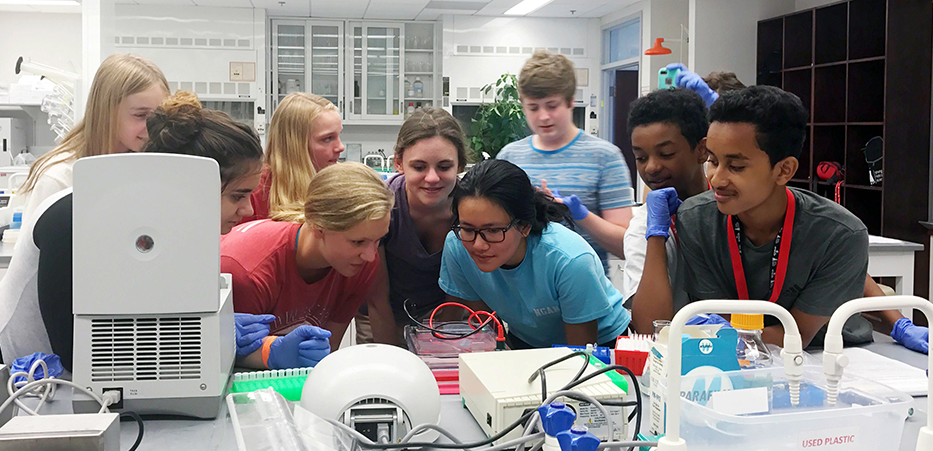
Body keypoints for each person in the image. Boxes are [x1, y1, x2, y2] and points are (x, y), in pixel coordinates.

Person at [0, 91, 265, 370]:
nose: (249, 210)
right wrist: (209, 337)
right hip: (3, 365)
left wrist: (212, 327)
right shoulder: (74, 216)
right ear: (195, 183)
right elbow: (76, 349)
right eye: (237, 196)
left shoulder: (165, 225)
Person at [670, 85, 869, 348]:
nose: (716, 179)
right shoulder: (696, 220)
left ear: (784, 170)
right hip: (730, 355)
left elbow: (796, 336)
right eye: (713, 160)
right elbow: (720, 324)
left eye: (736, 166)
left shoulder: (840, 235)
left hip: (822, 357)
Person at [439, 159, 630, 349]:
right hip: (529, 339)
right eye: (468, 229)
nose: (478, 245)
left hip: (601, 343)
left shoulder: (569, 261)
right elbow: (488, 328)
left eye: (493, 231)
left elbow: (581, 356)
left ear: (524, 227)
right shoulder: (457, 246)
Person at [222, 162, 394, 369]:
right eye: (358, 242)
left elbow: (324, 356)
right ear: (318, 227)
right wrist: (273, 355)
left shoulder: (359, 265)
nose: (370, 255)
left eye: (378, 241)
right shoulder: (248, 272)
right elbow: (224, 363)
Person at [497, 50, 633, 263]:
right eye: (533, 108)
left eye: (552, 106)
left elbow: (627, 247)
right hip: (521, 288)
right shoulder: (510, 156)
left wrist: (580, 215)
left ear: (570, 101)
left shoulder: (605, 157)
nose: (543, 116)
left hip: (585, 288)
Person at [359, 107, 470, 346]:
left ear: (460, 165)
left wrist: (441, 347)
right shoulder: (383, 207)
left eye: (444, 167)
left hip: (449, 314)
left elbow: (460, 298)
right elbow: (378, 300)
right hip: (382, 314)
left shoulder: (472, 208)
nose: (432, 178)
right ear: (399, 163)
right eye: (419, 167)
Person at [18, 54, 170, 218]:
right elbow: (31, 244)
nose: (153, 127)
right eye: (140, 116)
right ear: (106, 112)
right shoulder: (59, 180)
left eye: (160, 116)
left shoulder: (148, 169)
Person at [620, 88, 710, 333]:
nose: (651, 167)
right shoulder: (643, 228)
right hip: (671, 354)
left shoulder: (730, 205)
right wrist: (657, 235)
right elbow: (649, 328)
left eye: (666, 154)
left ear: (702, 150)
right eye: (640, 157)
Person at [241, 92, 345, 224]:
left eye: (339, 135)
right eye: (327, 138)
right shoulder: (254, 189)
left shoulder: (338, 186)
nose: (340, 147)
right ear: (295, 145)